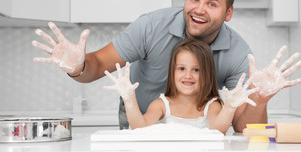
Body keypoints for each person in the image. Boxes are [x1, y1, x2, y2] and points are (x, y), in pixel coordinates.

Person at [32, 0, 301, 132]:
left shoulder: (238, 54)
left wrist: (262, 98)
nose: (198, 9)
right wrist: (78, 66)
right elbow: (97, 64)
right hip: (143, 114)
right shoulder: (151, 26)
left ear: (228, 13)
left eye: (212, 4)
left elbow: (243, 128)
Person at [104, 39, 257, 134]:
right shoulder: (161, 105)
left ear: (207, 75)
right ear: (173, 72)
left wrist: (230, 107)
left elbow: (218, 131)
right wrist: (129, 99)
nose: (188, 75)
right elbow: (140, 129)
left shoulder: (211, 106)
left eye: (196, 70)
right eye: (181, 68)